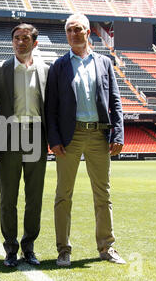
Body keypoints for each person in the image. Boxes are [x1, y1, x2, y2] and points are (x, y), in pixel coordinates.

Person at [45, 13, 126, 267]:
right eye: (69, 30)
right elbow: (51, 108)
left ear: (88, 32)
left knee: (103, 194)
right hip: (70, 136)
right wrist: (54, 139)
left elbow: (115, 101)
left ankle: (106, 247)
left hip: (98, 135)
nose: (72, 34)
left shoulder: (104, 63)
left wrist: (119, 132)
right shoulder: (59, 66)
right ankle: (63, 250)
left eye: (77, 29)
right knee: (63, 195)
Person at [0, 23, 49, 267]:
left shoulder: (47, 70)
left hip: (36, 134)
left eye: (25, 38)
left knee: (34, 196)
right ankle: (10, 248)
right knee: (8, 197)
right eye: (16, 38)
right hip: (9, 135)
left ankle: (29, 245)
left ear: (35, 43)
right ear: (12, 41)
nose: (20, 42)